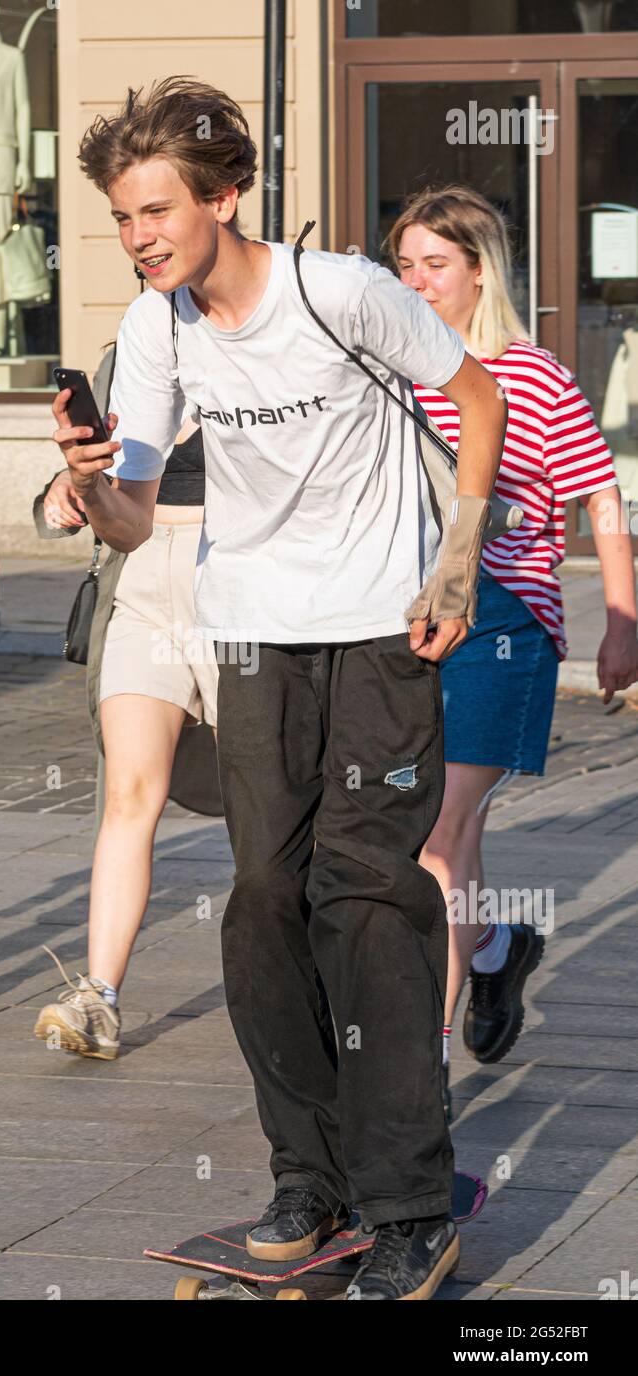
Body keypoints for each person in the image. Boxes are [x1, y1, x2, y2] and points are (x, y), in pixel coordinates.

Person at [46, 77, 507, 1300]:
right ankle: (308, 1177)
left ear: (223, 196)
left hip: (377, 626)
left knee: (365, 895)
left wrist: (455, 565)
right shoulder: (158, 329)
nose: (139, 236)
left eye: (155, 211)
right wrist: (90, 487)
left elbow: (475, 399)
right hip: (248, 633)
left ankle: (408, 1196)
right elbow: (138, 516)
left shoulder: (338, 292)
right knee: (260, 899)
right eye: (122, 219)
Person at [391, 186, 638, 1116]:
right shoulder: (394, 371)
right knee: (452, 834)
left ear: (481, 270)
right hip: (405, 619)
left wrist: (622, 620)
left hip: (505, 626)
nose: (417, 282)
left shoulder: (531, 375)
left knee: (434, 838)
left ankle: (425, 1067)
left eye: (435, 265)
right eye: (405, 265)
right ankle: (495, 951)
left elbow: (599, 498)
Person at [32, 401, 219, 1060]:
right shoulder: (134, 351)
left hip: (236, 571)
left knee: (272, 800)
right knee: (128, 793)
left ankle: (302, 984)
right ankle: (98, 999)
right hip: (141, 575)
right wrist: (76, 484)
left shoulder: (267, 330)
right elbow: (103, 478)